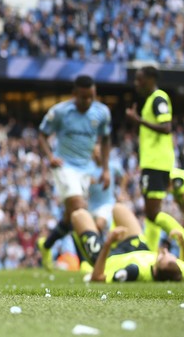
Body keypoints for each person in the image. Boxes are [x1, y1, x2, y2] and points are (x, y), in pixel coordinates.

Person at [37, 75, 112, 271]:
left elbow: (105, 140)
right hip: (65, 166)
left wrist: (105, 169)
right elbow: (43, 134)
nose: (88, 102)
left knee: (72, 217)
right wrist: (50, 156)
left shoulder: (102, 112)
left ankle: (46, 245)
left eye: (91, 97)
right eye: (84, 97)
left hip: (85, 169)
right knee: (80, 209)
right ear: (74, 94)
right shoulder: (60, 111)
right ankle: (87, 260)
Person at [124, 66, 184, 257]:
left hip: (157, 162)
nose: (136, 84)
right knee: (151, 212)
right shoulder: (150, 101)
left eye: (140, 79)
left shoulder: (158, 98)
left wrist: (138, 120)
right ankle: (151, 253)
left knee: (153, 212)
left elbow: (166, 127)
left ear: (150, 78)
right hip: (153, 162)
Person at [72, 203, 184, 283]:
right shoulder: (179, 269)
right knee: (118, 208)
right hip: (139, 247)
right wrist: (182, 244)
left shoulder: (134, 271)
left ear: (155, 269)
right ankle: (98, 225)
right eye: (170, 255)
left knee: (78, 215)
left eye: (162, 256)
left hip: (109, 258)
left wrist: (108, 243)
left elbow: (97, 278)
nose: (164, 251)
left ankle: (96, 230)